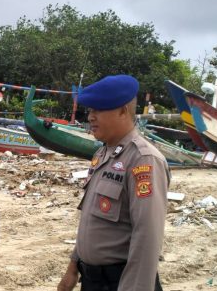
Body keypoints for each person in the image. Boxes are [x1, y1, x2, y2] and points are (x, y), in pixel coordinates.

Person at [57, 75, 170, 291]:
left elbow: (147, 238)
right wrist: (73, 268)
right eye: (90, 111)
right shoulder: (103, 153)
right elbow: (91, 221)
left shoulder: (143, 160)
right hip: (91, 280)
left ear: (122, 111)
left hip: (121, 282)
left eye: (98, 110)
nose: (90, 117)